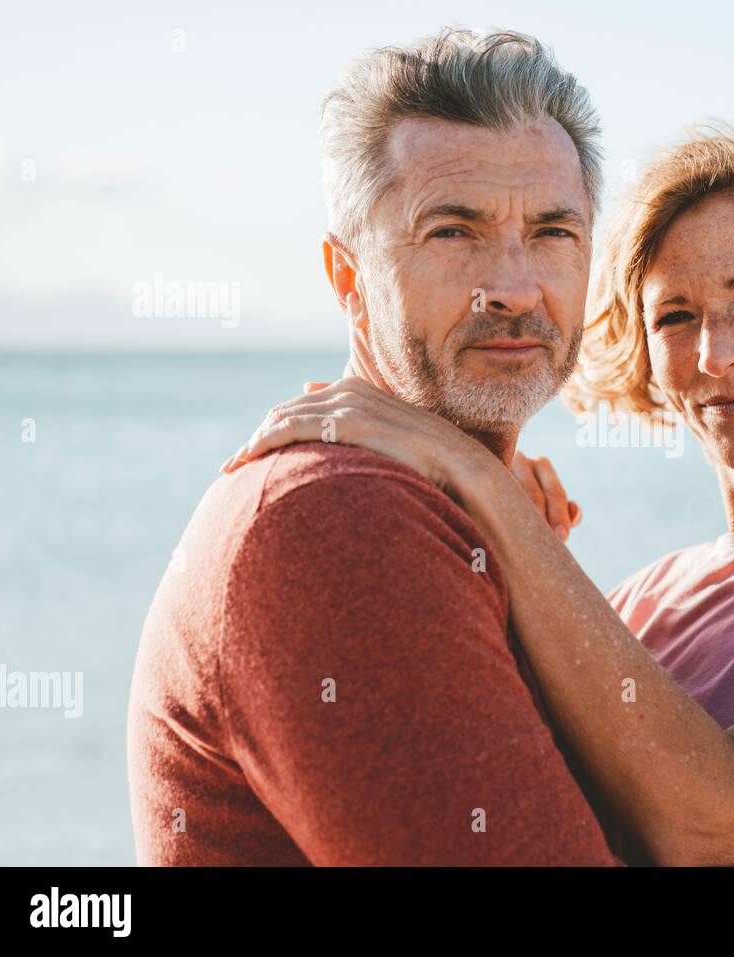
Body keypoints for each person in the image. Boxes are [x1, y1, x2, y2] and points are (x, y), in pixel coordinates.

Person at [228, 123, 734, 866]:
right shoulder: (634, 605)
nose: (716, 353)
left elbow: (719, 816)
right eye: (674, 317)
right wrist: (510, 574)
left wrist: (474, 477)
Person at [126, 29, 620, 865]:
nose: (514, 286)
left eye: (552, 232)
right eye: (454, 231)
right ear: (348, 279)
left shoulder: (474, 511)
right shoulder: (336, 520)